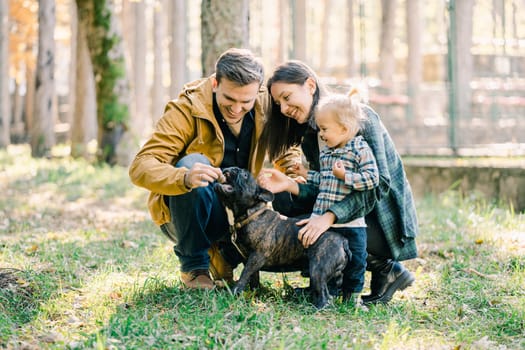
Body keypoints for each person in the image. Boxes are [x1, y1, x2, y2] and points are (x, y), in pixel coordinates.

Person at [257, 60, 418, 305]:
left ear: (310, 85)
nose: (284, 108)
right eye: (279, 103)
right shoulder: (313, 135)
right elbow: (328, 187)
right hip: (349, 215)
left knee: (316, 221)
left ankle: (383, 268)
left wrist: (328, 217)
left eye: (287, 97)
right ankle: (332, 277)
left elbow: (378, 185)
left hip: (381, 221)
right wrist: (289, 185)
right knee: (284, 200)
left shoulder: (358, 117)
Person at [129, 48, 269, 290]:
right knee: (193, 164)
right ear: (215, 83)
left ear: (258, 91)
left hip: (240, 215)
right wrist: (183, 177)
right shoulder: (187, 107)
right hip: (189, 213)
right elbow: (141, 166)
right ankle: (195, 268)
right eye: (229, 99)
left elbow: (290, 148)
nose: (236, 109)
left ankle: (225, 253)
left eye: (245, 101)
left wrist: (291, 174)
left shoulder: (267, 105)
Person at [290, 92, 379, 304]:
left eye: (324, 129)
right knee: (323, 257)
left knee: (356, 260)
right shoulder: (328, 152)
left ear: (344, 129)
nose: (320, 134)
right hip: (323, 219)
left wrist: (345, 176)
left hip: (351, 222)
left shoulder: (360, 148)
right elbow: (325, 180)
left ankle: (352, 296)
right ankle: (325, 291)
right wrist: (305, 174)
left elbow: (372, 179)